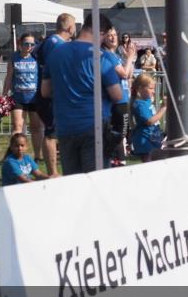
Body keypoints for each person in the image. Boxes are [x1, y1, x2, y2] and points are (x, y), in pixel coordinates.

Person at [40, 13, 122, 175]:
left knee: (73, 181)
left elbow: (45, 91)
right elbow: (117, 95)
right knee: (96, 180)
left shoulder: (56, 53)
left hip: (65, 126)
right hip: (94, 126)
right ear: (100, 32)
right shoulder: (100, 56)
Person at [32, 12, 76, 176]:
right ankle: (53, 173)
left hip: (48, 93)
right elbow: (56, 69)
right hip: (50, 94)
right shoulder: (56, 44)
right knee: (51, 133)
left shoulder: (51, 41)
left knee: (54, 132)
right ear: (70, 28)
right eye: (74, 26)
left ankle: (56, 170)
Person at [2, 32, 44, 160]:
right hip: (18, 98)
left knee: (36, 127)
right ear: (20, 44)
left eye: (32, 44)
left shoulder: (36, 57)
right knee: (17, 126)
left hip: (34, 98)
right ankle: (14, 155)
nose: (29, 46)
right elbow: (9, 77)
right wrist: (4, 95)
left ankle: (38, 156)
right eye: (27, 44)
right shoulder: (14, 58)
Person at [102, 26, 137, 165]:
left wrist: (130, 59)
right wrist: (130, 57)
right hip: (117, 101)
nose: (113, 38)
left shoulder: (115, 55)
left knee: (121, 133)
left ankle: (118, 160)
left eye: (115, 35)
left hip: (123, 98)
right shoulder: (108, 55)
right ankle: (116, 160)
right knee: (118, 134)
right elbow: (124, 74)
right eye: (109, 35)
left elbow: (129, 74)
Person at [130, 74, 167, 162]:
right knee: (149, 163)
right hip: (145, 140)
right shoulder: (140, 104)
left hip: (152, 139)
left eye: (154, 89)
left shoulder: (146, 100)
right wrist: (164, 108)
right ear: (140, 88)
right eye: (151, 88)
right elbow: (149, 121)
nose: (153, 91)